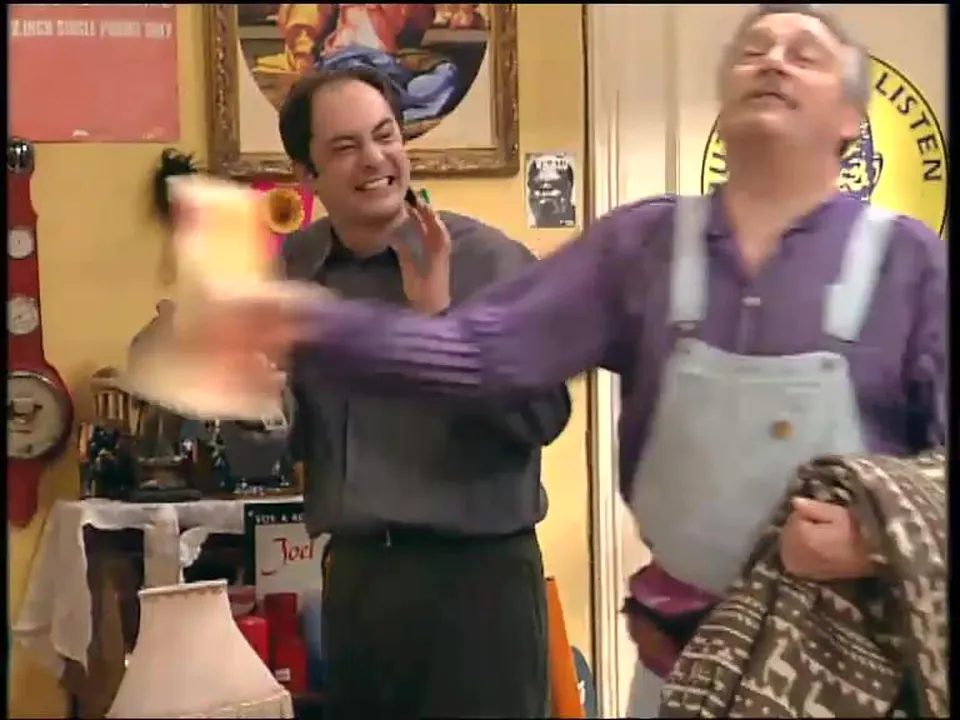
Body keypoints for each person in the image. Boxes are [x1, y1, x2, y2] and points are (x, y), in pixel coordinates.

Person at [192, 5, 945, 716]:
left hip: (843, 666)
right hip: (669, 667)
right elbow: (479, 357)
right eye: (753, 49)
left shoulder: (909, 264)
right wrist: (283, 339)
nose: (773, 60)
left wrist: (881, 536)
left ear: (851, 119)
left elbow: (531, 409)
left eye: (804, 54)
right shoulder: (644, 248)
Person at [274, 66, 571, 718]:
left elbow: (544, 416)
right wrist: (250, 393)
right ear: (307, 173)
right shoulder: (294, 271)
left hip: (478, 587)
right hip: (357, 585)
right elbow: (283, 438)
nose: (374, 159)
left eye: (385, 136)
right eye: (345, 147)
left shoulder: (491, 262)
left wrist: (440, 324)